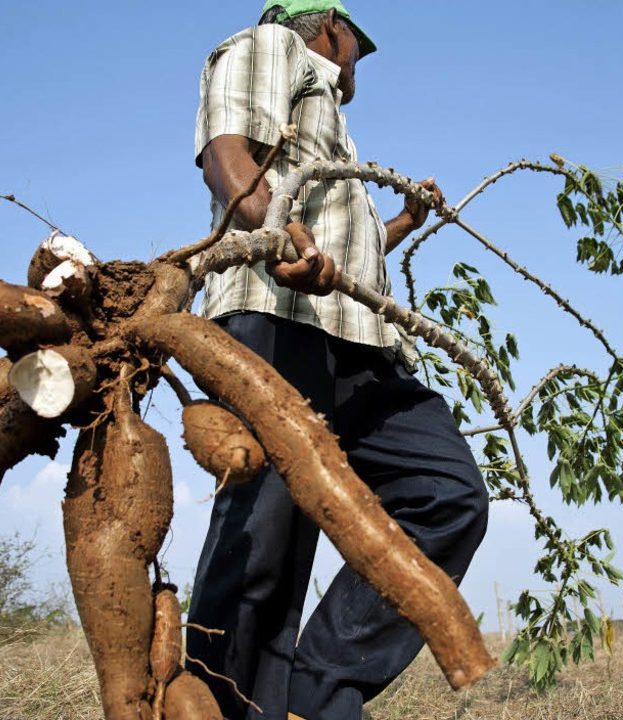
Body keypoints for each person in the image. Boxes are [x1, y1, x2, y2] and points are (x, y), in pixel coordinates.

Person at [186, 2, 489, 718]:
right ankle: (223, 702)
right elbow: (226, 150)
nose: (358, 62)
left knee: (445, 493)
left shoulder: (326, 118)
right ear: (330, 29)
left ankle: (316, 690)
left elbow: (335, 250)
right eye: (359, 45)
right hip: (274, 316)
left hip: (359, 339)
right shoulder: (269, 47)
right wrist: (275, 235)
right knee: (264, 535)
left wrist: (402, 225)